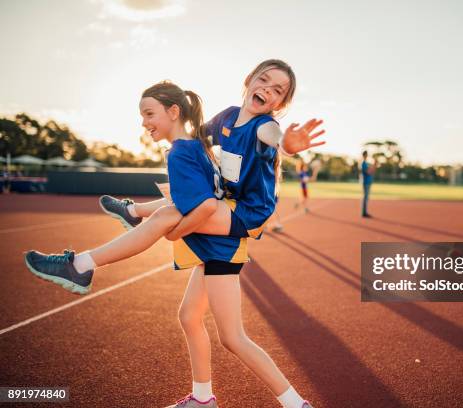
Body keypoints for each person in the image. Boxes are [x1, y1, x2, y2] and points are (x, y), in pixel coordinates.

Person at [27, 60, 322, 408]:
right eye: (265, 81)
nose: (268, 91)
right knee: (189, 315)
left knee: (232, 335)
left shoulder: (265, 127)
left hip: (245, 213)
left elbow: (272, 138)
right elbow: (196, 139)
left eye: (279, 91)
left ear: (280, 104)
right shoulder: (227, 116)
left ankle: (84, 261)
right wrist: (173, 129)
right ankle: (202, 399)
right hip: (223, 212)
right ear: (249, 80)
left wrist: (287, 145)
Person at [361, 150, 377, 218]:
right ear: (364, 155)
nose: (367, 156)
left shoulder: (367, 163)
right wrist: (373, 166)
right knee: (365, 197)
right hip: (366, 183)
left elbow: (372, 171)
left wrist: (374, 165)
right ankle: (364, 212)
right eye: (366, 154)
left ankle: (365, 212)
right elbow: (368, 172)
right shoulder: (363, 163)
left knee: (367, 198)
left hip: (368, 182)